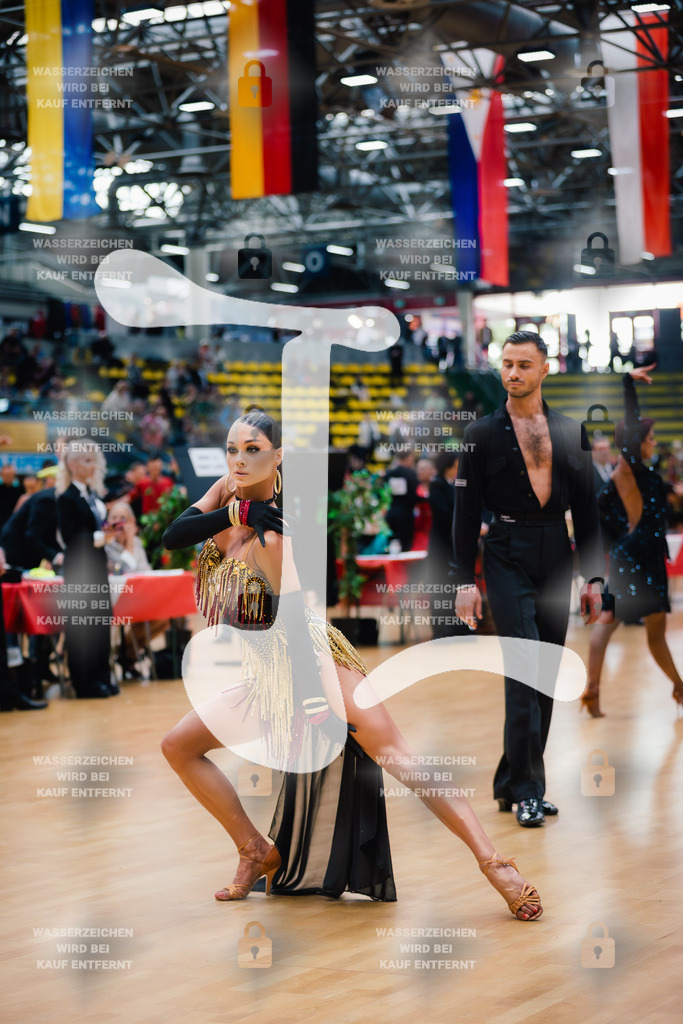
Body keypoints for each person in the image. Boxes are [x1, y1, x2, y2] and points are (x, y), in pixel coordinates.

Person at [161, 410, 542, 920]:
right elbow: (174, 535)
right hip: (265, 675)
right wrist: (238, 511)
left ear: (278, 457)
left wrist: (314, 700)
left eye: (253, 450)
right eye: (232, 449)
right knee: (179, 746)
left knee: (397, 755)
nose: (239, 460)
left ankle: (495, 865)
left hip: (312, 662)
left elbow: (296, 620)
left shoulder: (274, 537)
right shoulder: (229, 493)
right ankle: (255, 849)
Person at [453, 331, 604, 828]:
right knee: (524, 667)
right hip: (504, 550)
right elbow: (464, 513)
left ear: (544, 369)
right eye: (507, 364)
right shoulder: (480, 434)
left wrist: (594, 577)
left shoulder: (571, 432)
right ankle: (528, 792)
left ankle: (510, 781)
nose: (512, 373)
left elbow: (587, 509)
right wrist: (463, 580)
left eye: (523, 364)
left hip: (557, 550)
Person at [580, 366, 683, 718]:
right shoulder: (631, 466)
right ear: (637, 441)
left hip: (635, 552)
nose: (653, 442)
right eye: (650, 438)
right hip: (642, 555)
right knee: (649, 630)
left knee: (611, 621)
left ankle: (594, 690)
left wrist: (622, 531)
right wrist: (628, 383)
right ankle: (679, 688)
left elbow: (599, 506)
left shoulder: (630, 473)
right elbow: (632, 419)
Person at [56, 440, 117, 699]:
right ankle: (84, 682)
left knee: (100, 622)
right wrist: (99, 537)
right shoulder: (66, 498)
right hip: (79, 571)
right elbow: (70, 538)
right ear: (72, 465)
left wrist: (106, 536)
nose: (93, 465)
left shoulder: (91, 495)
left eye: (94, 460)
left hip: (96, 567)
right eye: (87, 461)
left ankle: (102, 676)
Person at [384, 451, 418, 552]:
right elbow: (414, 495)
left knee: (390, 543)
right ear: (408, 458)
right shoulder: (411, 474)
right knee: (405, 546)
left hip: (391, 512)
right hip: (406, 514)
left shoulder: (389, 473)